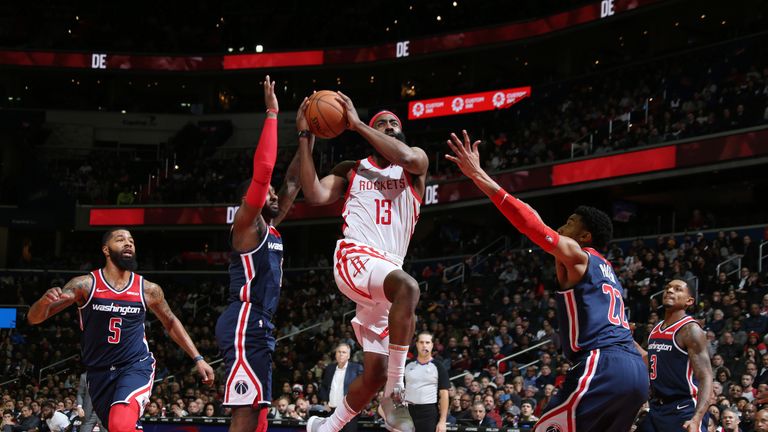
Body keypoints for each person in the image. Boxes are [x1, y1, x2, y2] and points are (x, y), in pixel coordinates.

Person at [444, 130, 649, 432]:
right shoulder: (609, 271)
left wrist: (478, 175)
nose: (560, 227)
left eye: (568, 223)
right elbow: (632, 342)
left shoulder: (578, 255)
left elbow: (530, 224)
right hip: (634, 372)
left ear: (584, 236)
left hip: (602, 364)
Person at [300, 94, 428, 432]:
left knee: (374, 374)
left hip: (386, 276)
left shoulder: (415, 164)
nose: (389, 127)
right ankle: (396, 394)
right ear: (370, 134)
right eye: (382, 124)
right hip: (356, 258)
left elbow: (405, 156)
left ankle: (324, 428)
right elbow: (313, 194)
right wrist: (305, 138)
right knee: (410, 288)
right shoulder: (351, 170)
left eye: (394, 124)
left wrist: (356, 124)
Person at [26, 228, 215, 432]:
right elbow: (34, 318)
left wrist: (198, 358)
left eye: (131, 241)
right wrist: (43, 302)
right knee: (119, 428)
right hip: (98, 373)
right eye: (120, 239)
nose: (128, 243)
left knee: (120, 425)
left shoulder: (148, 289)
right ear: (106, 250)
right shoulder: (85, 285)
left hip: (134, 366)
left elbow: (170, 322)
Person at [215, 76, 306, 432]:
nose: (272, 195)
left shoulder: (271, 226)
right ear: (248, 201)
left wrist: (306, 134)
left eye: (272, 193)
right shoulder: (247, 226)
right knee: (245, 412)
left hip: (261, 322)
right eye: (265, 192)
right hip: (244, 318)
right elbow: (264, 171)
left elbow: (295, 182)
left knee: (261, 413)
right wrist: (272, 113)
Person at [636, 280, 713, 432]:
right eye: (667, 288)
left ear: (689, 301)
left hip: (684, 408)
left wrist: (696, 419)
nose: (670, 291)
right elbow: (651, 361)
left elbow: (706, 377)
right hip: (658, 408)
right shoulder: (657, 328)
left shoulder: (691, 330)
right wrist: (627, 339)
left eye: (677, 289)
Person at [403, 332, 450, 432]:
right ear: (416, 344)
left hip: (429, 413)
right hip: (407, 412)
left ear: (432, 345)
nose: (424, 345)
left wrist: (442, 421)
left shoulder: (439, 367)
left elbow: (444, 395)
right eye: (421, 342)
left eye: (427, 342)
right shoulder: (407, 365)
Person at [319, 343, 364, 432]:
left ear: (348, 355)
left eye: (344, 352)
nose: (341, 354)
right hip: (331, 411)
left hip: (348, 413)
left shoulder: (356, 368)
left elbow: (363, 388)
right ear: (335, 354)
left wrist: (359, 406)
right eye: (339, 352)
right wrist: (325, 402)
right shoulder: (329, 369)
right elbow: (323, 387)